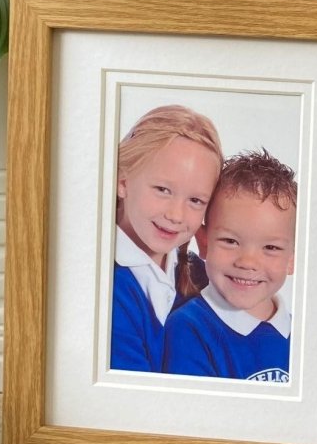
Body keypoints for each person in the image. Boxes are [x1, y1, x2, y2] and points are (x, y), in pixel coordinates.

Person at [162, 149, 297, 382]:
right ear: (203, 242)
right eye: (230, 241)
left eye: (271, 248)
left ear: (292, 258)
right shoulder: (188, 329)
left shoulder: (304, 336)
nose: (247, 262)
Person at [112, 105, 223, 372]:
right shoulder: (106, 284)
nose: (176, 215)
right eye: (163, 189)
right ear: (122, 180)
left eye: (195, 200)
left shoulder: (200, 273)